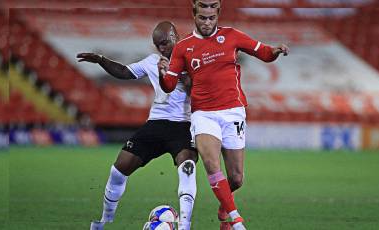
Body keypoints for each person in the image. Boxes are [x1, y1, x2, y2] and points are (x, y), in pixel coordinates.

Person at [158, 1, 289, 230]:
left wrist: (276, 51)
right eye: (202, 18)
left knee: (236, 178)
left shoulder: (232, 36)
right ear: (194, 15)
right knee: (211, 163)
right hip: (204, 114)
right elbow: (169, 85)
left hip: (233, 111)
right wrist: (162, 73)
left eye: (211, 18)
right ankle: (236, 219)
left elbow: (264, 53)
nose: (207, 23)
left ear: (218, 14)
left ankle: (224, 205)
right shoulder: (183, 47)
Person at [77, 21, 198, 230]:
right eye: (157, 45)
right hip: (156, 124)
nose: (161, 48)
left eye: (164, 43)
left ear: (175, 37)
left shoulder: (192, 59)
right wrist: (101, 60)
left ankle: (185, 226)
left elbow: (197, 90)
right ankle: (104, 221)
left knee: (187, 168)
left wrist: (177, 75)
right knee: (118, 169)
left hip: (184, 125)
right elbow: (124, 72)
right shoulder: (153, 61)